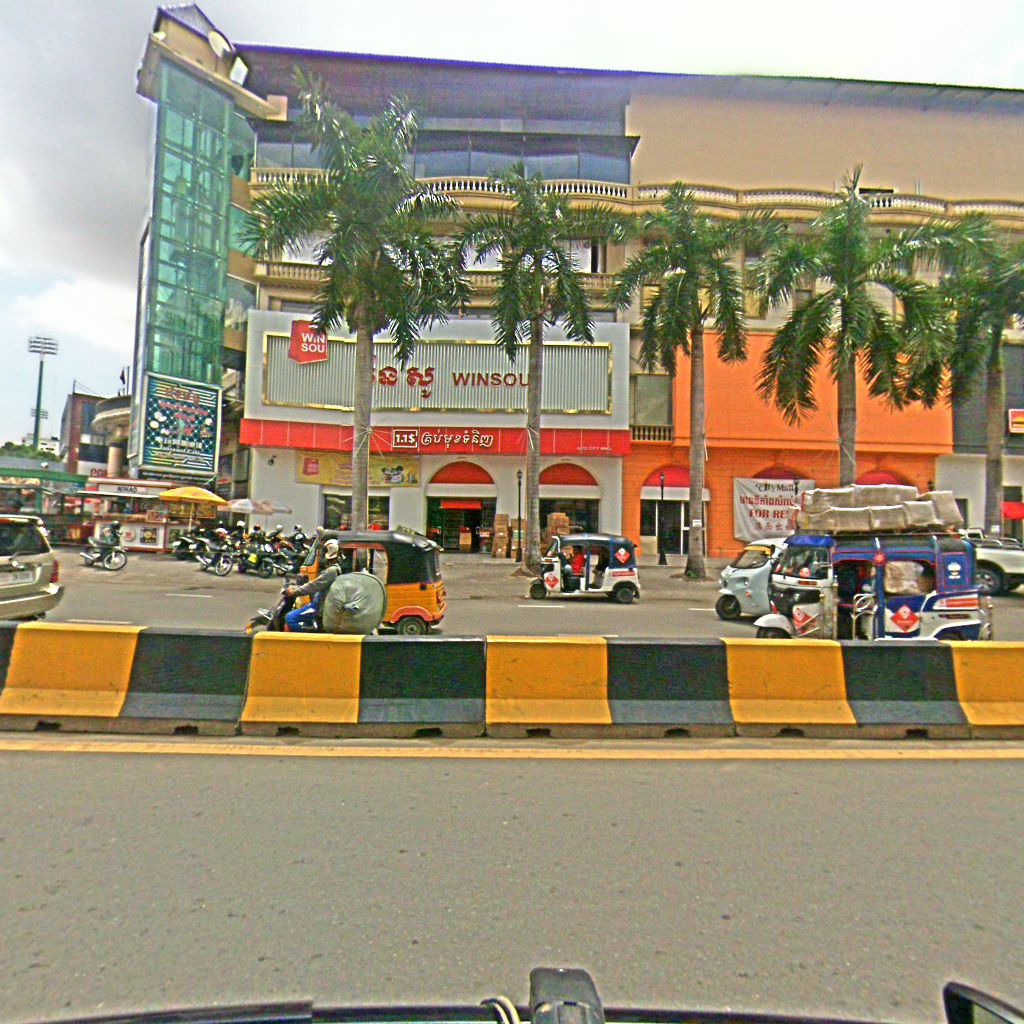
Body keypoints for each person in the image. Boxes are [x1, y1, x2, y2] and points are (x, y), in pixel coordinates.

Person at [282, 539, 343, 631]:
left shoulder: (331, 571)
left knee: (290, 617)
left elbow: (313, 586)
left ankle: (303, 639)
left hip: (318, 607)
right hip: (320, 604)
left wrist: (294, 591)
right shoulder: (335, 569)